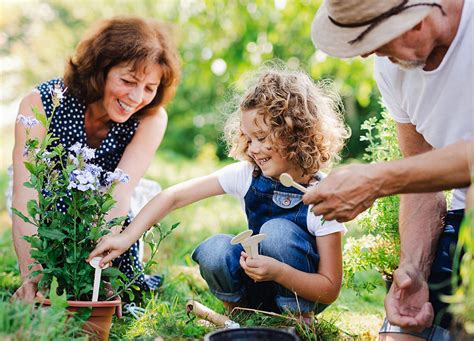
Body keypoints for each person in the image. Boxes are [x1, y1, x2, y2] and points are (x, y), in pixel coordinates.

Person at [88, 68, 350, 320]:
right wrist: (126, 237)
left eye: (261, 137)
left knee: (278, 232)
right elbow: (173, 197)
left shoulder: (321, 197)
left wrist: (279, 271)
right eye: (248, 138)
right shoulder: (248, 174)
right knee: (214, 249)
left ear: (294, 133)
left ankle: (298, 318)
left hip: (301, 290)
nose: (254, 149)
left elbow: (329, 288)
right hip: (256, 280)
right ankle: (239, 312)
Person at [310, 0, 472, 339]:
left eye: (374, 41)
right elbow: (422, 182)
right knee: (400, 333)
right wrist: (414, 270)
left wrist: (376, 180)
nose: (367, 55)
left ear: (414, 22)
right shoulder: (392, 68)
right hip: (463, 224)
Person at [11, 16, 181, 302]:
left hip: (103, 210)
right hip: (47, 204)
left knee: (120, 284)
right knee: (50, 270)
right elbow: (25, 193)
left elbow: (119, 193)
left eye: (150, 88)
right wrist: (32, 276)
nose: (137, 97)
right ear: (101, 70)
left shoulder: (151, 118)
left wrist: (96, 267)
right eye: (128, 81)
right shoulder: (39, 102)